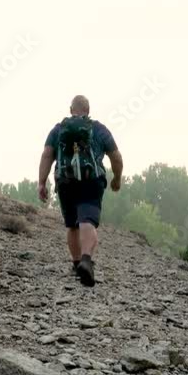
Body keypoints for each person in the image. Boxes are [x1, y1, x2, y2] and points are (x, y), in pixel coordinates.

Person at [38, 95, 124, 287]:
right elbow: (116, 157)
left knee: (72, 225)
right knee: (87, 221)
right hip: (91, 181)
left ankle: (77, 264)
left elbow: (46, 155)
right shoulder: (99, 129)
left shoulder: (59, 129)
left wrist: (41, 183)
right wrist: (117, 179)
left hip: (65, 182)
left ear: (71, 110)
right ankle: (86, 260)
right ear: (88, 110)